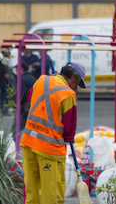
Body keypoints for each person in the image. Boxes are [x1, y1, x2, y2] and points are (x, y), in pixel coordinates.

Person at [20, 62, 86, 204]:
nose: (76, 87)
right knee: (51, 192)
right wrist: (68, 139)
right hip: (49, 150)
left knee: (32, 190)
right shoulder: (68, 94)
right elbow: (69, 130)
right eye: (77, 83)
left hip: (29, 142)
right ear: (73, 77)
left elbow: (29, 97)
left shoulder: (42, 80)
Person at [14, 61, 37, 145]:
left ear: (21, 69)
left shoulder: (22, 79)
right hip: (33, 107)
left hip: (24, 108)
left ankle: (16, 147)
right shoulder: (32, 77)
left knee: (16, 130)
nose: (16, 71)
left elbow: (21, 94)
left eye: (17, 69)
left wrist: (16, 104)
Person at [0, 48, 16, 115]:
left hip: (8, 81)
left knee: (7, 96)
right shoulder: (2, 62)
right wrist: (4, 75)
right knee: (4, 96)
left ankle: (5, 110)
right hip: (4, 81)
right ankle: (4, 110)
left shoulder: (8, 61)